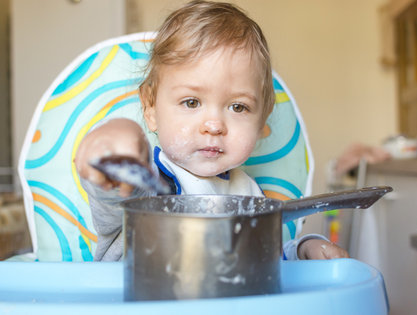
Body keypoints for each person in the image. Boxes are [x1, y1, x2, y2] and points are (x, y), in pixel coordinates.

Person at [75, 0, 349, 261]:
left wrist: (303, 250)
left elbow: (264, 259)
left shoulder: (248, 195)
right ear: (150, 109)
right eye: (191, 102)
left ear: (262, 121)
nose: (214, 125)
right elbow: (113, 193)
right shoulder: (147, 185)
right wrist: (115, 147)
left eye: (238, 107)